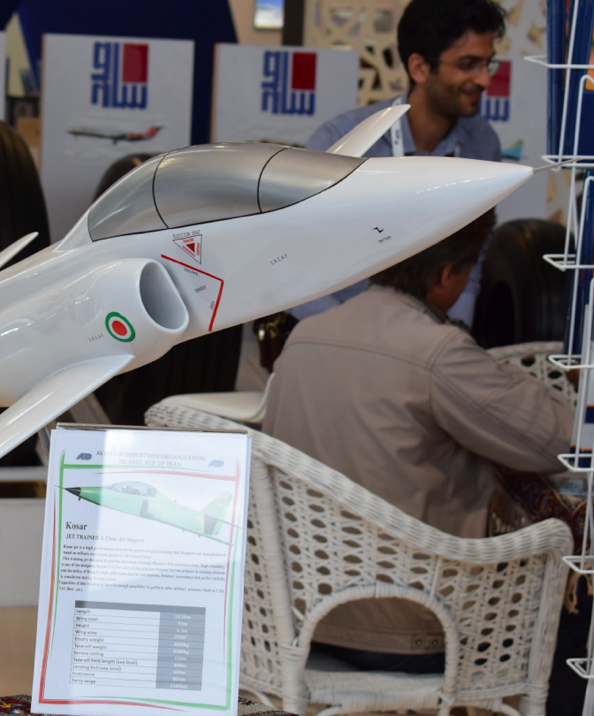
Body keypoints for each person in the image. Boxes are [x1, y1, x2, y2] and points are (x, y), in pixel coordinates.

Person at [261, 209, 575, 675]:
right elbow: (562, 440)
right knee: (575, 600)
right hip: (410, 628)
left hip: (299, 615)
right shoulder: (437, 351)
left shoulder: (305, 337)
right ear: (448, 275)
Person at [293, 0, 507, 325]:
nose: (484, 80)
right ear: (419, 67)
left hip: (429, 335)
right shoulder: (341, 143)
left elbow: (469, 262)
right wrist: (345, 333)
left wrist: (454, 330)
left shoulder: (482, 143)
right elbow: (292, 264)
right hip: (340, 329)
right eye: (468, 64)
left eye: (488, 64)